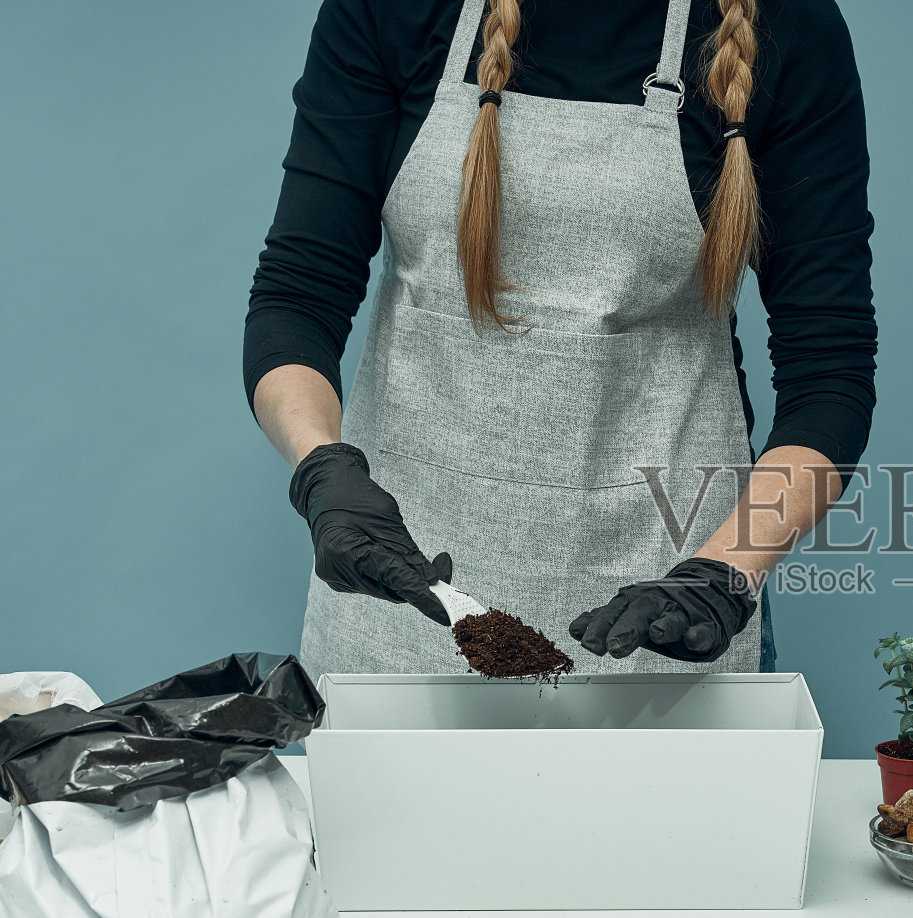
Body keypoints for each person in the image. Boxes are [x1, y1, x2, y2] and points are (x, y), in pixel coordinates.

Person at [245, 0, 876, 678]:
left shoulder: (786, 24)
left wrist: (725, 573)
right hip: (401, 599)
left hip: (668, 612)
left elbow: (828, 372)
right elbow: (298, 296)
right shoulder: (396, 10)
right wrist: (323, 470)